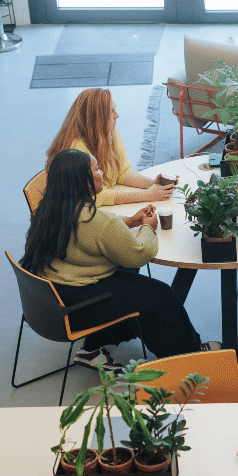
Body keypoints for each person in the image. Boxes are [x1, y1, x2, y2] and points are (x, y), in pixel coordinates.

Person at [19, 149, 219, 372]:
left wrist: (130, 221)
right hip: (77, 308)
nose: (102, 172)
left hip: (52, 299)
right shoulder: (97, 222)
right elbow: (140, 254)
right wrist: (147, 227)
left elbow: (98, 230)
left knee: (132, 279)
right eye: (96, 169)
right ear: (83, 182)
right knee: (161, 296)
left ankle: (92, 348)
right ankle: (189, 356)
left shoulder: (51, 210)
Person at [46, 88, 178, 207]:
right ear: (97, 118)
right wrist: (147, 195)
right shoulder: (76, 149)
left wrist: (155, 185)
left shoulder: (109, 131)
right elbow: (91, 197)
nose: (117, 115)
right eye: (111, 111)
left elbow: (122, 171)